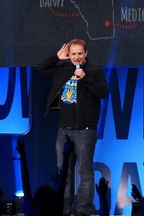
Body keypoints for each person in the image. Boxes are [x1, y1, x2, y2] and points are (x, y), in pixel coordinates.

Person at [37, 38, 108, 216]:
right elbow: (41, 69)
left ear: (86, 54)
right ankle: (63, 209)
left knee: (85, 173)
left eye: (79, 54)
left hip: (85, 131)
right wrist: (56, 57)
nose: (76, 57)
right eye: (73, 54)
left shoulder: (94, 71)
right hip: (64, 131)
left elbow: (103, 92)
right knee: (64, 174)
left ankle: (82, 210)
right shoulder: (63, 67)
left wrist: (86, 79)